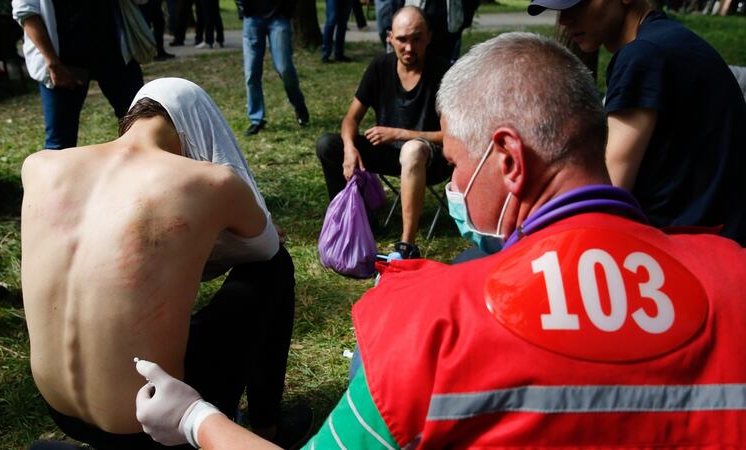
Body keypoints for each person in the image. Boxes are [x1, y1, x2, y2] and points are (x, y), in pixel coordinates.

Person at [134, 32, 746, 449]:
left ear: (508, 159)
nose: (451, 183)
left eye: (453, 162)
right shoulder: (732, 273)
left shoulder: (428, 324)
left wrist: (194, 418)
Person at [21, 77, 297, 450]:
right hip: (150, 421)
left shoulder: (40, 167)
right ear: (200, 128)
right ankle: (266, 427)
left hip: (60, 408)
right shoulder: (212, 182)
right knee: (276, 268)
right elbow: (265, 247)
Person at [528, 0, 746, 245]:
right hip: (721, 240)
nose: (564, 19)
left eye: (577, 4)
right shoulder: (671, 39)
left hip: (685, 254)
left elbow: (605, 195)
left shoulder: (642, 56)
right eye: (559, 9)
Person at [316, 6, 452, 259]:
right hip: (387, 154)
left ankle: (406, 245)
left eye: (417, 39)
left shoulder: (443, 73)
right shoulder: (380, 66)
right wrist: (349, 147)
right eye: (402, 39)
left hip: (430, 160)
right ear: (390, 37)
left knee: (412, 150)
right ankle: (356, 220)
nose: (409, 48)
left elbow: (449, 137)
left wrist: (398, 133)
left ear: (429, 37)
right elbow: (350, 118)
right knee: (328, 144)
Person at [12, 0, 144, 150]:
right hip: (65, 60)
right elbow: (26, 13)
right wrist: (52, 62)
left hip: (115, 52)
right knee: (60, 143)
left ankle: (138, 171)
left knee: (140, 127)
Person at [235, 0, 310, 136]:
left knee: (284, 68)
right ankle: (256, 119)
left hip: (278, 17)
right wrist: (242, 8)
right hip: (252, 17)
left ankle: (299, 105)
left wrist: (287, 11)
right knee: (251, 71)